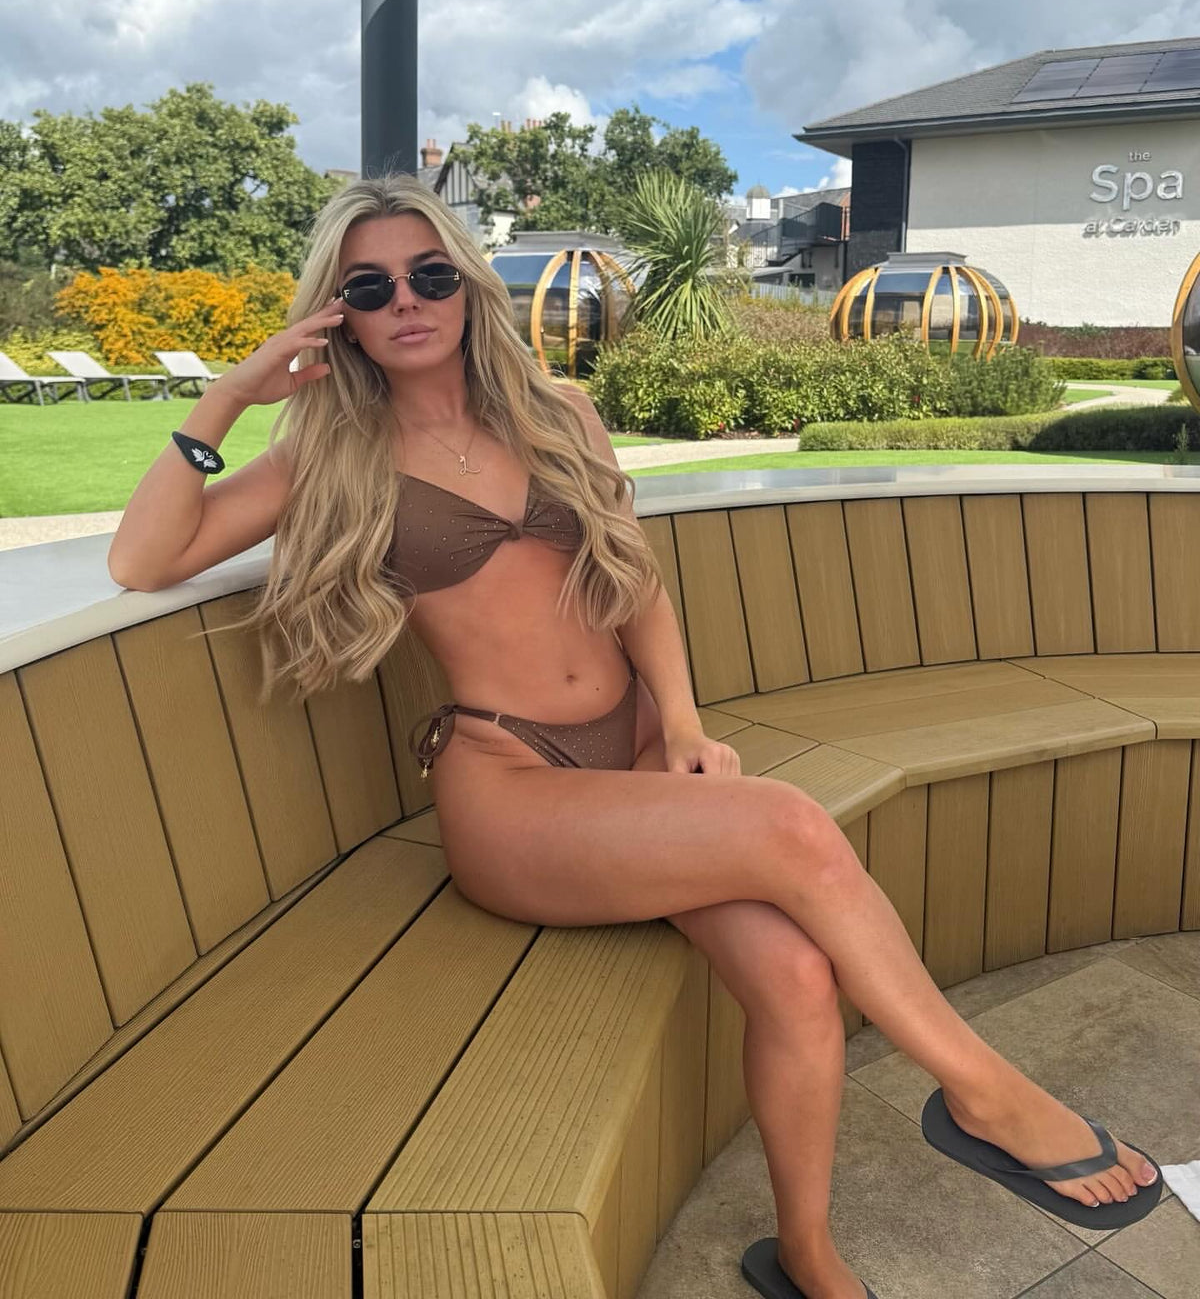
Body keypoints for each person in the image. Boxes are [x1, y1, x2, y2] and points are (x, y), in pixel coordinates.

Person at [108, 175, 1160, 1299]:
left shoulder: (557, 413)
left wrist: (688, 728)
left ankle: (806, 1253)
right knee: (796, 826)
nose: (405, 300)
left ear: (466, 286)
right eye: (370, 285)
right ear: (341, 313)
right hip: (510, 787)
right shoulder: (334, 454)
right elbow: (145, 558)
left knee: (801, 979)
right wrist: (228, 396)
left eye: (429, 274)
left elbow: (633, 581)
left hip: (637, 757)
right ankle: (984, 1090)